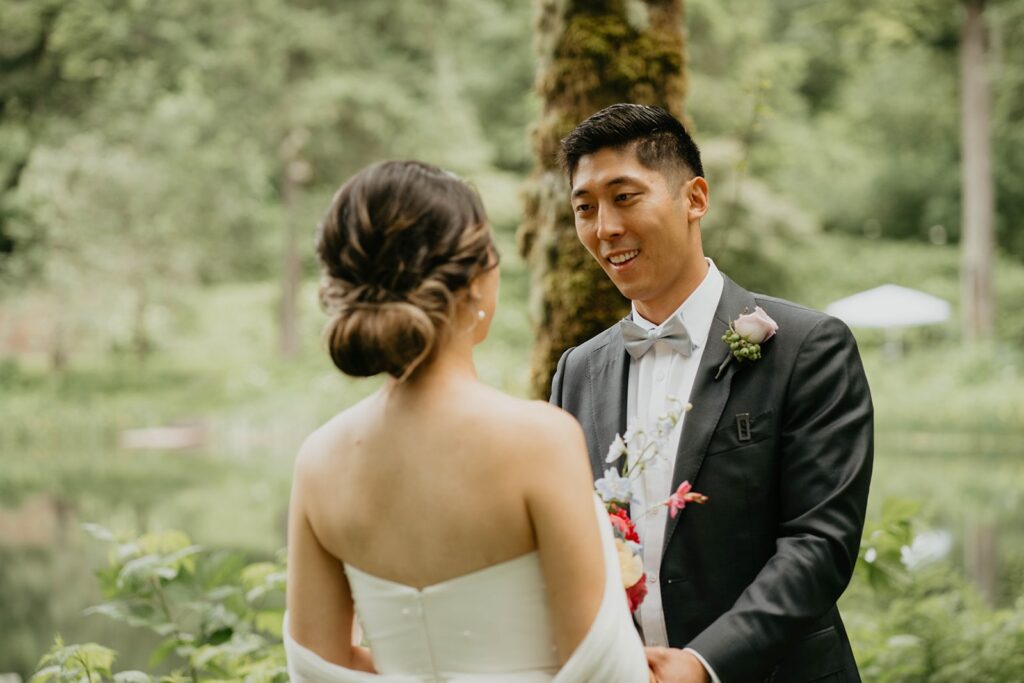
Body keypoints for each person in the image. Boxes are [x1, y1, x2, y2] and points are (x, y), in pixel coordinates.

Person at [283, 160, 650, 683]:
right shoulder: (538, 441)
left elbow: (318, 667)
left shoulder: (318, 461)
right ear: (477, 282)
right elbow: (602, 670)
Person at [550, 104, 873, 683]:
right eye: (585, 208)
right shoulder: (578, 370)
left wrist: (703, 664)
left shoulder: (808, 347)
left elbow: (819, 544)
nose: (604, 228)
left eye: (625, 197)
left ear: (695, 198)